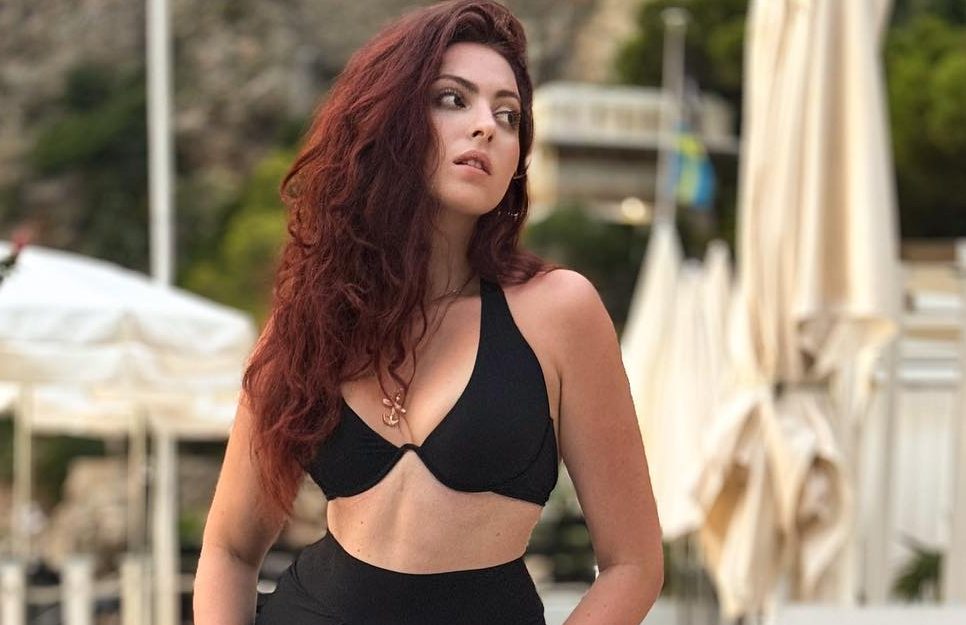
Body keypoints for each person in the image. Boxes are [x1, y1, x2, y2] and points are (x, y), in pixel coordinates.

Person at [193, 1, 663, 623]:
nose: (486, 126)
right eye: (452, 99)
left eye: (508, 114)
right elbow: (229, 550)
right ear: (389, 122)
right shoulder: (312, 315)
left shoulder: (559, 311)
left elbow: (634, 564)